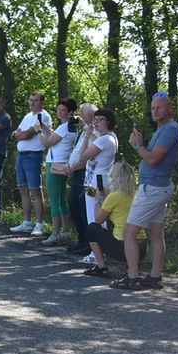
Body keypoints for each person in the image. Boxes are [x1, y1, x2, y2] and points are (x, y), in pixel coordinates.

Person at [118, 92, 178, 289]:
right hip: (158, 187)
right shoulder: (164, 129)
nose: (155, 111)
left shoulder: (170, 129)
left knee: (129, 233)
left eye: (159, 107)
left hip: (154, 188)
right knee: (156, 232)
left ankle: (132, 277)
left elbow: (153, 159)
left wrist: (137, 145)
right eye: (153, 107)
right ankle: (154, 276)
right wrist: (141, 145)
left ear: (169, 108)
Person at [81, 162, 145, 279]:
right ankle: (132, 268)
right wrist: (108, 196)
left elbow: (98, 220)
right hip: (142, 248)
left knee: (92, 228)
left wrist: (97, 200)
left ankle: (101, 266)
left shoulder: (114, 197)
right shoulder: (137, 195)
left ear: (115, 178)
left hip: (122, 248)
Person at [74, 107, 119, 264]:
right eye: (95, 119)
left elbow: (82, 157)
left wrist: (86, 136)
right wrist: (90, 132)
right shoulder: (110, 137)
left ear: (108, 122)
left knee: (94, 218)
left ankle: (96, 255)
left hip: (96, 182)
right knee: (100, 218)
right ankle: (100, 253)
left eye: (100, 120)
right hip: (100, 180)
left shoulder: (104, 139)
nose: (96, 122)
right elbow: (97, 141)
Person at [9, 92, 51, 236]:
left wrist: (19, 136)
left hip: (34, 156)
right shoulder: (28, 116)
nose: (32, 103)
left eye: (36, 101)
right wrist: (19, 135)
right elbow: (15, 133)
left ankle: (39, 224)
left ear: (42, 102)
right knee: (23, 189)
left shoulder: (43, 116)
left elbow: (27, 135)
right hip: (21, 156)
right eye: (31, 100)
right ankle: (26, 222)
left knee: (35, 190)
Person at [38, 97, 78, 245]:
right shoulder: (71, 127)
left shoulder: (64, 127)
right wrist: (47, 129)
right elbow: (56, 137)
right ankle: (65, 231)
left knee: (55, 200)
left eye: (63, 110)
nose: (60, 113)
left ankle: (55, 233)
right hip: (64, 163)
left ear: (71, 112)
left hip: (54, 164)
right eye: (58, 110)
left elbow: (47, 142)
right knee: (61, 199)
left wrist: (38, 131)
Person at [65, 103, 98, 256]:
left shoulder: (95, 132)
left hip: (85, 173)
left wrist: (74, 167)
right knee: (75, 208)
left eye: (81, 115)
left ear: (88, 116)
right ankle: (81, 240)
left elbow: (87, 156)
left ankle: (89, 244)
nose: (77, 117)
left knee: (84, 209)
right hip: (77, 173)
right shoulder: (85, 131)